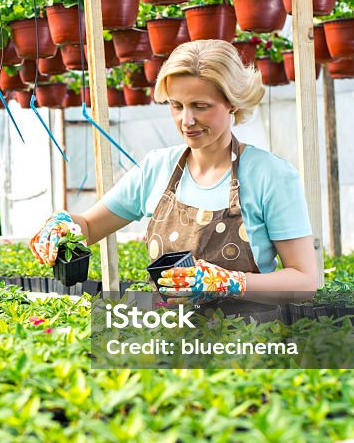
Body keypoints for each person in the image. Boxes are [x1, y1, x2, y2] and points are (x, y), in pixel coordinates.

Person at [30, 39, 318, 298]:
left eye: (200, 106)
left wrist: (230, 283)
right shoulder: (157, 168)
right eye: (176, 105)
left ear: (232, 103)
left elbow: (305, 280)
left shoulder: (270, 176)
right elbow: (91, 226)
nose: (187, 120)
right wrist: (64, 226)